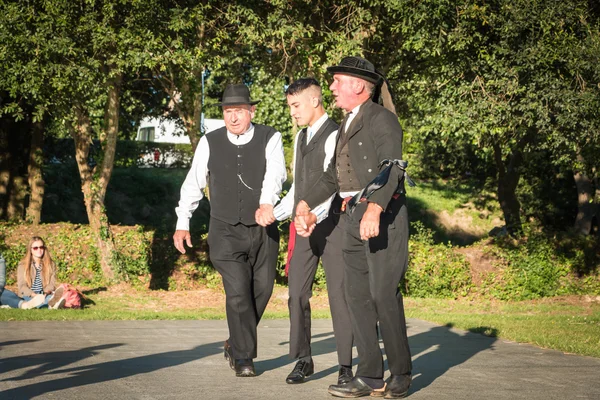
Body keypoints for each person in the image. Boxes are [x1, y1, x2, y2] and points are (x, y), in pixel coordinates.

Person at [295, 56, 412, 398]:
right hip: (350, 219)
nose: (331, 87)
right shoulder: (347, 122)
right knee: (356, 296)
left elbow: (392, 167)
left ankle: (401, 372)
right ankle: (371, 375)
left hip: (383, 217)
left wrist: (375, 208)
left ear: (359, 86)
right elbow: (334, 176)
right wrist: (306, 202)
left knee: (381, 294)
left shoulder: (383, 120)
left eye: (338, 81)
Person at [173, 83, 286, 377]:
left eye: (238, 110)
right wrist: (182, 222)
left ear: (252, 111)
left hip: (263, 229)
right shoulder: (209, 141)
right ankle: (244, 358)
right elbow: (193, 182)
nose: (233, 117)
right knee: (237, 292)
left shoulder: (270, 137)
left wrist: (265, 203)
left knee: (262, 290)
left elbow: (276, 174)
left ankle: (233, 341)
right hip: (224, 230)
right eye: (227, 111)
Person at [273, 78, 354, 385]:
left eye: (296, 106)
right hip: (303, 225)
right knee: (296, 294)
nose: (292, 113)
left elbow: (333, 184)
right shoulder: (300, 138)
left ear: (314, 101)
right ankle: (303, 360)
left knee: (339, 296)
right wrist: (277, 213)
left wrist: (311, 216)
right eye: (290, 106)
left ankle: (346, 367)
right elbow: (299, 186)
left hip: (333, 225)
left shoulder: (335, 134)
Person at [0, 236, 66, 309]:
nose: (39, 250)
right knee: (35, 300)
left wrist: (44, 293)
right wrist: (34, 295)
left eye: (41, 247)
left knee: (47, 297)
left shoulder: (51, 264)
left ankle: (51, 303)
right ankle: (50, 305)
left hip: (44, 293)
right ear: (30, 250)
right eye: (35, 248)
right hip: (28, 295)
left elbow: (51, 284)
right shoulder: (23, 264)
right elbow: (22, 286)